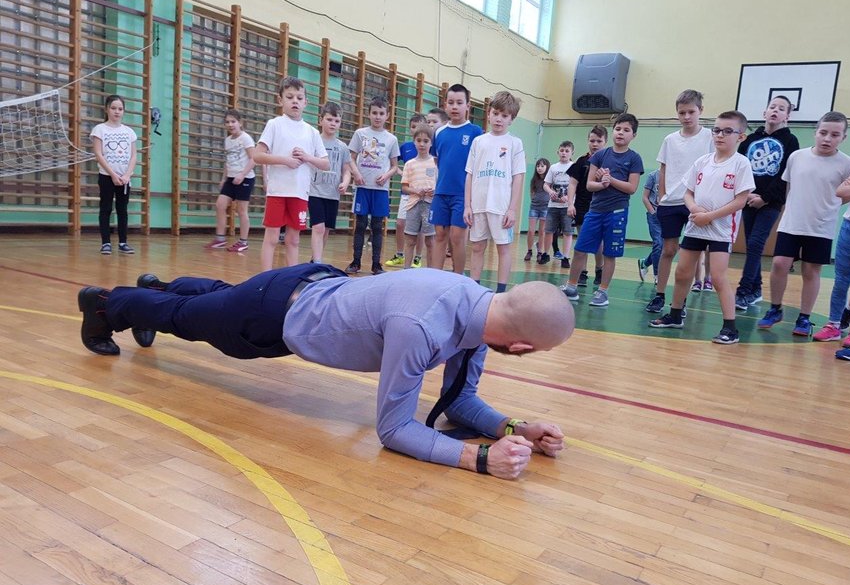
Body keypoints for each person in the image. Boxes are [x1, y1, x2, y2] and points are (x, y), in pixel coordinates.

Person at [76, 267, 574, 479]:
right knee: (187, 320)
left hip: (307, 285)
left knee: (217, 300)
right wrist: (478, 459)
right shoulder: (421, 326)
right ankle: (104, 304)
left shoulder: (481, 308)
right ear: (520, 346)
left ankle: (157, 288)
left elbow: (458, 403)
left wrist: (514, 428)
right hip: (273, 315)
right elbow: (394, 430)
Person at [649, 111, 755, 344]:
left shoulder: (741, 164)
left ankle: (730, 327)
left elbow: (740, 200)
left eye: (727, 131)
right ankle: (675, 314)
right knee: (682, 272)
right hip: (696, 226)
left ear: (740, 136)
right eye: (717, 130)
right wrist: (695, 208)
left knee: (717, 277)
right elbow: (688, 192)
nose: (720, 135)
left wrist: (710, 216)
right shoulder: (702, 162)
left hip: (721, 230)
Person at [758, 112, 850, 336]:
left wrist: (828, 207)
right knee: (779, 264)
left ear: (843, 137)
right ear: (815, 132)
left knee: (811, 271)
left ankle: (804, 317)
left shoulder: (847, 164)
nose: (827, 139)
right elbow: (789, 187)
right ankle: (775, 309)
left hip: (821, 227)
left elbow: (847, 195)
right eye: (823, 133)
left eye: (834, 135)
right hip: (792, 223)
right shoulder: (797, 157)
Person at [562, 114, 643, 305]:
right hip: (595, 211)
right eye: (618, 129)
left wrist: (610, 180)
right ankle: (571, 286)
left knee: (609, 253)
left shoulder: (634, 158)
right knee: (580, 249)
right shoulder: (600, 156)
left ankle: (603, 292)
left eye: (626, 130)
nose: (621, 133)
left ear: (633, 135)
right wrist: (602, 183)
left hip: (617, 212)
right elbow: (590, 185)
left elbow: (632, 188)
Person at [645, 90, 714, 314]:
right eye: (682, 112)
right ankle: (659, 294)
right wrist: (662, 196)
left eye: (691, 112)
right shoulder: (670, 140)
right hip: (671, 203)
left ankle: (680, 301)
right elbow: (663, 169)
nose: (686, 116)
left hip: (696, 204)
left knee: (690, 254)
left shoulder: (710, 137)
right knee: (668, 250)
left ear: (700, 111)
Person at [253, 77, 330, 271]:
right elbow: (257, 155)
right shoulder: (274, 124)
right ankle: (265, 278)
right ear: (280, 100)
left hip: (300, 193)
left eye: (299, 97)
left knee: (293, 239)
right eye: (289, 97)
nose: (295, 101)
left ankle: (291, 279)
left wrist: (306, 157)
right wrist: (285, 160)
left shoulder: (311, 132)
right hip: (277, 191)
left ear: (305, 102)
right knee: (271, 237)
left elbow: (325, 164)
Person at [734, 96, 800, 310]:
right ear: (765, 112)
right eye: (772, 107)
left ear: (787, 116)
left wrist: (765, 198)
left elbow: (785, 174)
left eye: (781, 109)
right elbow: (740, 166)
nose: (775, 111)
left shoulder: (791, 141)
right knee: (751, 243)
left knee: (756, 243)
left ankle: (743, 291)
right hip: (748, 199)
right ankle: (756, 290)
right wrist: (747, 194)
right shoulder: (750, 139)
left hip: (770, 202)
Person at [463, 91, 526, 293]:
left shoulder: (515, 143)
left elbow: (518, 177)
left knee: (503, 248)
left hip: (501, 206)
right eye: (496, 113)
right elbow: (469, 175)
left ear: (511, 119)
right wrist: (467, 206)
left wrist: (512, 209)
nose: (499, 119)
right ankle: (475, 289)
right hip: (478, 205)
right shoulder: (478, 142)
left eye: (504, 115)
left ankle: (501, 292)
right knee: (477, 247)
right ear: (489, 113)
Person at [430, 84, 484, 274]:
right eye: (451, 102)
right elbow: (437, 160)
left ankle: (458, 277)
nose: (455, 106)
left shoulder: (476, 132)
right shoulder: (439, 132)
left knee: (457, 237)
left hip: (462, 194)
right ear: (445, 105)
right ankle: (435, 278)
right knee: (439, 235)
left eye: (459, 103)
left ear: (468, 105)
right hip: (441, 192)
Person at [814, 162, 850, 348]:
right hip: (849, 226)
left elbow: (847, 193)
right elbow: (841, 192)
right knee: (841, 278)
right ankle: (833, 324)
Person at [346, 96, 400, 275]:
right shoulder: (360, 134)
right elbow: (351, 158)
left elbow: (395, 166)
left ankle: (376, 265)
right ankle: (356, 262)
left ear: (387, 115)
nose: (378, 116)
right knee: (360, 225)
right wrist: (356, 174)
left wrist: (386, 176)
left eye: (381, 113)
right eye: (374, 113)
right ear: (368, 114)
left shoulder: (391, 139)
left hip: (380, 190)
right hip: (363, 188)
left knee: (377, 226)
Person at [91, 94, 137, 256]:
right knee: (106, 208)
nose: (117, 111)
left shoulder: (129, 132)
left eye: (120, 109)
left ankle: (123, 242)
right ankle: (106, 243)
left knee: (122, 210)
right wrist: (112, 174)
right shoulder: (99, 129)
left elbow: (133, 156)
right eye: (113, 108)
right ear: (107, 109)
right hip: (106, 176)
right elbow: (98, 154)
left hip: (124, 178)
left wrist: (127, 175)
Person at [205, 109, 257, 253]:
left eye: (233, 121)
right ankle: (220, 239)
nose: (230, 124)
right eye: (227, 122)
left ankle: (243, 241)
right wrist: (224, 178)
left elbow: (254, 159)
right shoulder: (228, 140)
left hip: (245, 178)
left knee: (241, 210)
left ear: (240, 123)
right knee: (220, 205)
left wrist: (242, 174)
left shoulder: (246, 138)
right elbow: (228, 161)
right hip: (231, 178)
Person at [308, 102, 353, 263]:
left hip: (332, 194)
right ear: (320, 120)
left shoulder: (342, 147)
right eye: (329, 119)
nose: (333, 123)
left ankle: (315, 259)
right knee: (318, 227)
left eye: (336, 121)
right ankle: (317, 263)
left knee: (326, 229)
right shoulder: (313, 142)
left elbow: (346, 170)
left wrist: (345, 182)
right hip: (315, 192)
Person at [385, 113, 427, 269]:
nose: (416, 129)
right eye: (413, 127)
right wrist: (403, 174)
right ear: (410, 129)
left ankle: (417, 257)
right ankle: (399, 255)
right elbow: (393, 164)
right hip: (407, 193)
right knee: (400, 223)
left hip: (423, 196)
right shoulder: (405, 147)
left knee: (420, 227)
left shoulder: (428, 147)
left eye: (419, 126)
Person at [567, 126, 607, 287]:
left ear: (605, 142)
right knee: (582, 239)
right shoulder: (582, 161)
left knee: (598, 241)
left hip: (601, 205)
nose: (595, 144)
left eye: (599, 141)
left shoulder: (608, 161)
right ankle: (582, 272)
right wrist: (570, 204)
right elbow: (572, 184)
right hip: (582, 206)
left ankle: (599, 269)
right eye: (592, 141)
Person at [400, 125, 437, 268]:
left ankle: (431, 271)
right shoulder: (410, 164)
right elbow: (404, 187)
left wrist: (434, 191)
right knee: (410, 240)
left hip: (430, 205)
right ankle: (406, 269)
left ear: (431, 143)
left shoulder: (436, 162)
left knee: (430, 241)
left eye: (426, 141)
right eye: (419, 140)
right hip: (413, 205)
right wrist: (415, 191)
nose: (422, 144)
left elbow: (440, 183)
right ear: (414, 141)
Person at [538, 141, 575, 269]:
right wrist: (550, 192)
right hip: (553, 206)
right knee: (548, 230)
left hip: (567, 207)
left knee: (567, 232)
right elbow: (546, 184)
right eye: (562, 150)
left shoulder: (574, 167)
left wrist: (569, 198)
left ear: (572, 153)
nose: (564, 153)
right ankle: (546, 253)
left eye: (567, 151)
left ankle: (566, 257)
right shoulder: (553, 167)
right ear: (558, 152)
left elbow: (577, 185)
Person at [637, 168, 662, 284]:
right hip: (654, 216)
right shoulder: (653, 176)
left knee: (665, 247)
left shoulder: (674, 176)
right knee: (658, 244)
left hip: (668, 216)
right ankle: (657, 275)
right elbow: (645, 197)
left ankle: (645, 263)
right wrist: (652, 212)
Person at [525, 158, 550, 261]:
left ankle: (540, 252)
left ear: (547, 167)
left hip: (545, 208)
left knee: (542, 232)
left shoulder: (549, 180)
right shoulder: (534, 180)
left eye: (542, 166)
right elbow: (532, 192)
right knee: (531, 231)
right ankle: (529, 251)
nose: (539, 168)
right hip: (534, 207)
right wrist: (534, 200)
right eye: (538, 166)